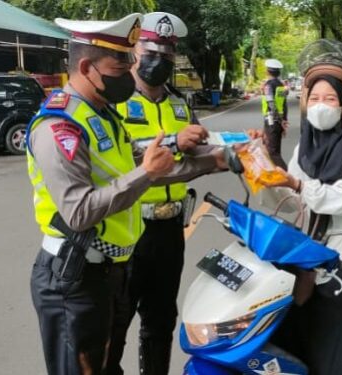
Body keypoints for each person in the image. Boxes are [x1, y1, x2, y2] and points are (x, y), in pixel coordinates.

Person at [27, 14, 225, 375]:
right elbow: (79, 211)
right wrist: (147, 173)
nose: (129, 70)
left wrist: (219, 160)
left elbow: (156, 166)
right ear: (87, 67)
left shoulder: (103, 117)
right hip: (73, 275)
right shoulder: (59, 126)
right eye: (120, 63)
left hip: (107, 269)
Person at [256, 39, 342, 375]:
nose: (320, 105)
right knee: (281, 326)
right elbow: (291, 204)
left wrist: (298, 183)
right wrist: (259, 165)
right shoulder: (304, 146)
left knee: (327, 347)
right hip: (314, 254)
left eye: (329, 98)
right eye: (314, 98)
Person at [113, 12, 210, 375]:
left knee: (161, 320)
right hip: (129, 228)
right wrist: (173, 141)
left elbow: (200, 146)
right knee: (117, 319)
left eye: (166, 56)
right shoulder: (115, 101)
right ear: (134, 52)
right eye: (151, 51)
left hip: (170, 230)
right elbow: (119, 152)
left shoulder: (181, 105)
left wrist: (237, 149)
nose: (158, 61)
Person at [261, 58, 290, 169]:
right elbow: (283, 104)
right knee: (275, 149)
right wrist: (284, 120)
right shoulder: (280, 85)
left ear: (268, 71)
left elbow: (271, 104)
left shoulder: (268, 86)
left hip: (272, 120)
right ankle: (277, 175)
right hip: (278, 121)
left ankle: (287, 175)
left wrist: (280, 120)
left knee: (272, 152)